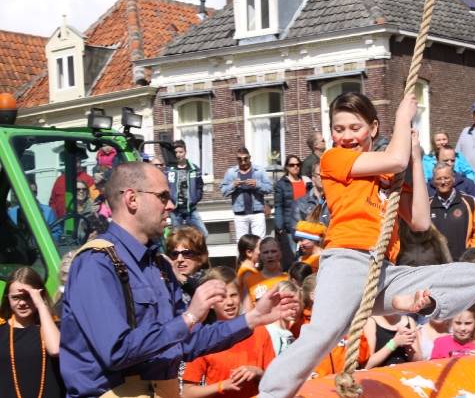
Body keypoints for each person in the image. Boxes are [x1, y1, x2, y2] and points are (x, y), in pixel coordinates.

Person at [258, 91, 475, 398]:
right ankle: (271, 394)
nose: (346, 136)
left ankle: (416, 303)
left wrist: (415, 158)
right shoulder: (333, 159)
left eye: (355, 128)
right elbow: (394, 157)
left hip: (383, 271)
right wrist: (403, 118)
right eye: (339, 129)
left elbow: (421, 221)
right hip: (347, 261)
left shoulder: (389, 175)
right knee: (324, 333)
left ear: (373, 128)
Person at [60, 162, 298, 397]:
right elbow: (117, 350)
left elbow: (188, 341)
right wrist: (189, 317)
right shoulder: (96, 262)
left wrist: (253, 318)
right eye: (163, 197)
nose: (171, 205)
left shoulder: (159, 266)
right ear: (132, 199)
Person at [182, 267, 276, 398]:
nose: (230, 302)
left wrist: (258, 373)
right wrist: (222, 386)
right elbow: (187, 393)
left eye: (233, 295)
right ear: (211, 303)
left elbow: (276, 382)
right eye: (222, 298)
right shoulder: (205, 338)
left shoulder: (259, 331)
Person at [0, 267, 64, 398]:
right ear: (7, 298)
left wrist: (41, 305)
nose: (22, 303)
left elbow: (55, 349)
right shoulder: (1, 330)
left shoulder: (54, 328)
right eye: (16, 297)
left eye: (28, 297)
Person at [429, 163, 475, 261]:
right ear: (434, 181)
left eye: (446, 178)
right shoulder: (427, 206)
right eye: (439, 179)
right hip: (436, 264)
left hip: (464, 263)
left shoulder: (470, 202)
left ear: (453, 179)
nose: (443, 182)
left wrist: (472, 254)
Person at [221, 147, 273, 240]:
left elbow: (269, 188)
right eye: (240, 159)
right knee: (241, 242)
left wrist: (257, 184)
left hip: (257, 212)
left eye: (245, 158)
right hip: (240, 213)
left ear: (250, 157)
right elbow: (223, 191)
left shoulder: (259, 170)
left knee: (259, 241)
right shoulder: (231, 172)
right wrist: (233, 185)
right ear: (237, 159)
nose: (243, 162)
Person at [274, 155, 312, 271]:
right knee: (292, 256)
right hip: (290, 226)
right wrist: (279, 226)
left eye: (298, 164)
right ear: (287, 167)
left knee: (306, 254)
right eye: (292, 165)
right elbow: (278, 206)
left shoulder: (306, 181)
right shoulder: (281, 184)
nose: (295, 167)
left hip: (306, 225)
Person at [166, 140, 207, 236]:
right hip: (176, 210)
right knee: (177, 237)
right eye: (176, 152)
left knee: (203, 233)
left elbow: (200, 185)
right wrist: (169, 200)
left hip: (191, 209)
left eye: (180, 152)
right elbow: (165, 186)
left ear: (185, 152)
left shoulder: (194, 169)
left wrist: (195, 198)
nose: (178, 155)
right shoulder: (169, 169)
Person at [164, 225, 209, 306]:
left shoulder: (210, 281)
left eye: (187, 253)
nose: (179, 259)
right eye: (174, 254)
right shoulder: (166, 285)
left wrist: (181, 278)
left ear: (200, 256)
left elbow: (203, 295)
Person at [265, 281, 303, 357]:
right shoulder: (270, 333)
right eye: (288, 302)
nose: (293, 307)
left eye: (296, 302)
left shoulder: (289, 333)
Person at [250, 237, 289, 302]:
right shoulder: (250, 281)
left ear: (280, 254)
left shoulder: (288, 279)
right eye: (265, 252)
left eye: (273, 251)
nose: (270, 255)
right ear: (260, 256)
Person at [236, 234, 265, 310]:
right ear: (249, 252)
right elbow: (251, 299)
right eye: (260, 248)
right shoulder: (247, 272)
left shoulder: (250, 270)